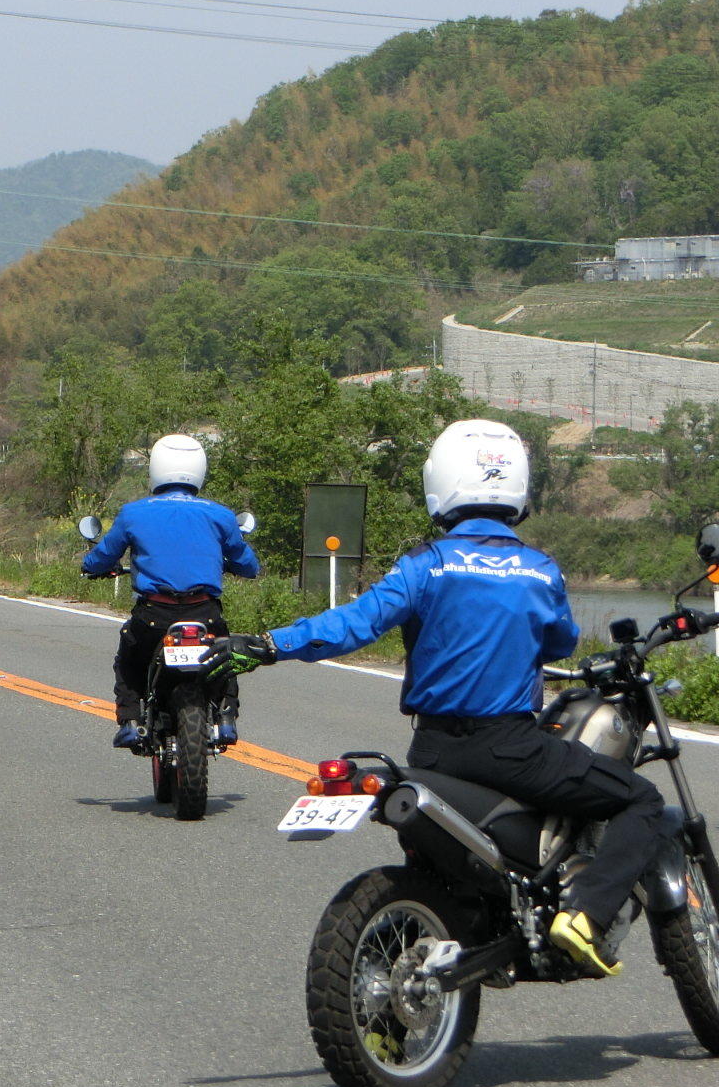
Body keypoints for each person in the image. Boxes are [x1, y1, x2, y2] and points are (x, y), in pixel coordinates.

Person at [219, 418, 660, 978]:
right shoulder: (540, 571)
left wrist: (267, 645)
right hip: (509, 748)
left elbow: (352, 625)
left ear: (442, 483)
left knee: (437, 877)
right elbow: (562, 641)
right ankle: (586, 918)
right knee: (640, 799)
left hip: (431, 752)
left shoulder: (426, 564)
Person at [81, 433, 259, 751]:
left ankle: (131, 722)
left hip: (154, 614)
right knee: (226, 657)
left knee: (129, 660)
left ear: (156, 469)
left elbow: (102, 557)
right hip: (205, 612)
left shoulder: (134, 512)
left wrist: (92, 566)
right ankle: (226, 719)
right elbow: (247, 564)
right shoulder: (220, 514)